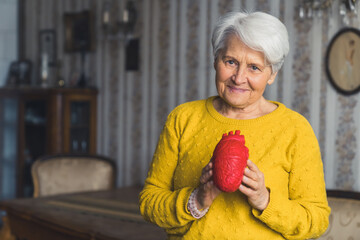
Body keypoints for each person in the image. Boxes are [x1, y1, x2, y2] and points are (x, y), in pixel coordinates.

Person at [139, 11, 330, 240]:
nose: (239, 78)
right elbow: (149, 202)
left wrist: (265, 201)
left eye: (254, 68)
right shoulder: (183, 118)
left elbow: (317, 220)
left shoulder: (295, 129)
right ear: (215, 60)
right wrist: (198, 199)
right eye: (231, 62)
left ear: (272, 74)